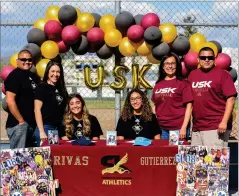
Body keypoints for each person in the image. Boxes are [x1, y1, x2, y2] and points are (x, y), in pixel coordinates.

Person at [188, 47, 237, 147]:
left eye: (210, 57)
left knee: (214, 161)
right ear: (198, 59)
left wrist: (224, 122)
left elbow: (231, 99)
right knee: (197, 162)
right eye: (203, 57)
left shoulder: (223, 74)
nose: (206, 60)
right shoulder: (192, 75)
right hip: (197, 127)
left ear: (214, 60)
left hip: (216, 126)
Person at [152, 52, 193, 140]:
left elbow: (189, 107)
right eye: (167, 63)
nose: (170, 66)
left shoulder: (183, 84)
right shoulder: (158, 84)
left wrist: (184, 127)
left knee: (177, 153)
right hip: (162, 128)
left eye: (173, 63)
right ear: (163, 66)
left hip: (178, 128)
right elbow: (155, 106)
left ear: (177, 66)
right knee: (164, 154)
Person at [4, 49, 40, 148]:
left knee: (31, 161)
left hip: (33, 125)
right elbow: (10, 100)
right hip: (19, 125)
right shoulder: (14, 76)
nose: (27, 62)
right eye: (23, 59)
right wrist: (21, 121)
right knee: (19, 159)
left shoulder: (33, 77)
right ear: (17, 61)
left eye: (29, 60)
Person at [34, 61, 68, 146]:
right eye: (52, 71)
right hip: (46, 127)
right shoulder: (42, 87)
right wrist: (41, 131)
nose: (55, 74)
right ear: (47, 72)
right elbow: (37, 109)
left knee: (54, 155)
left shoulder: (61, 89)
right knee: (45, 157)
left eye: (58, 72)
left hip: (58, 128)